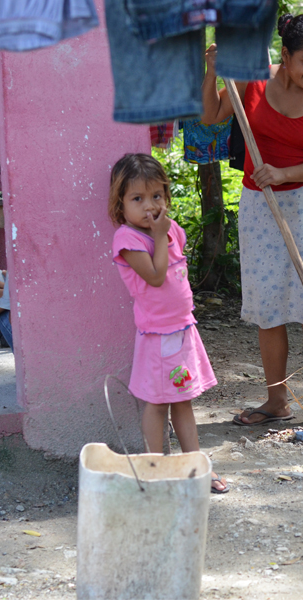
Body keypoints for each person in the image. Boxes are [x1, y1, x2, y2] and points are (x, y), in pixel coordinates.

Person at [201, 13, 303, 427]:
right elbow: (211, 115)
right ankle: (277, 401)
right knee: (269, 306)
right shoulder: (252, 80)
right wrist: (212, 71)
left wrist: (283, 174)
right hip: (260, 207)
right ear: (285, 54)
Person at [108, 153, 229, 494]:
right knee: (158, 403)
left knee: (184, 400)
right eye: (137, 199)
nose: (150, 206)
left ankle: (195, 466)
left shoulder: (170, 229)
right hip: (158, 337)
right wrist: (160, 235)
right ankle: (154, 469)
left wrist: (164, 233)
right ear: (120, 205)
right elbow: (157, 276)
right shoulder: (128, 240)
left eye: (156, 196)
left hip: (183, 329)